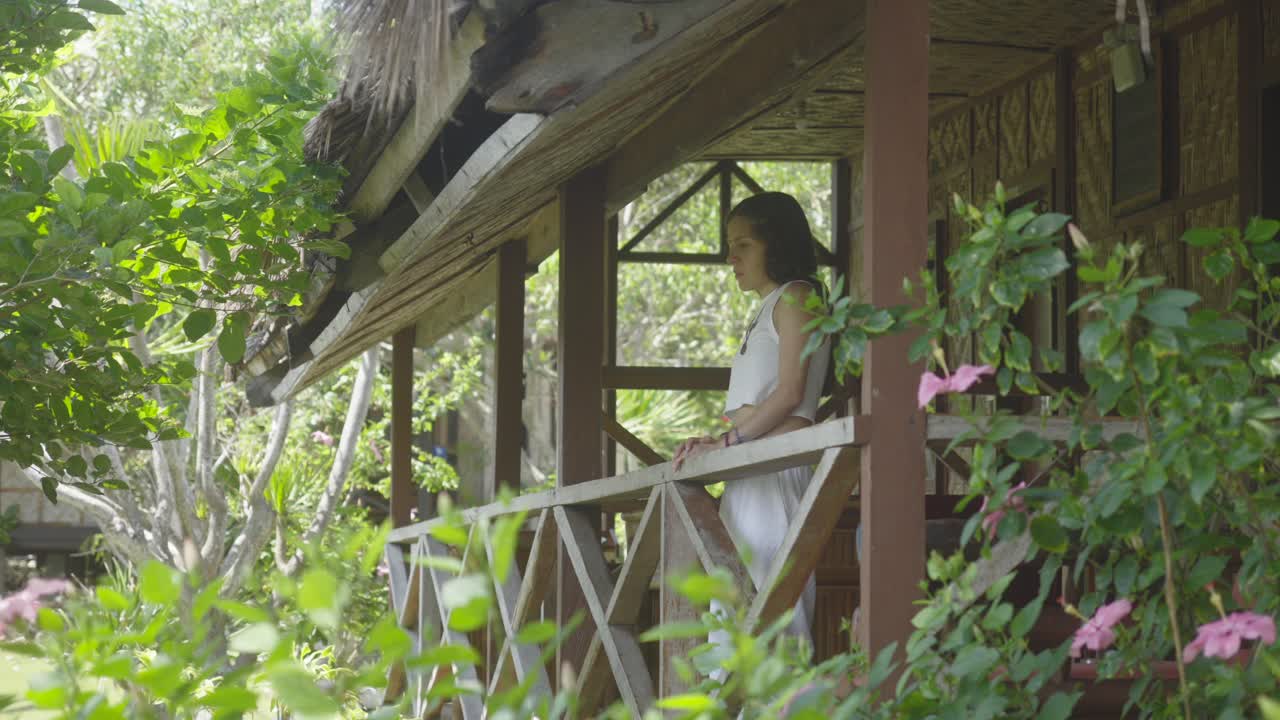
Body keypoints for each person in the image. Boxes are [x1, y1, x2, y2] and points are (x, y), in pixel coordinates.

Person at [671, 191, 832, 675]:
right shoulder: (767, 307)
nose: (731, 257)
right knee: (731, 622)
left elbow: (790, 396)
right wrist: (717, 438)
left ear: (775, 244)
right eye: (729, 245)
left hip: (776, 476)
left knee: (775, 619)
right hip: (747, 477)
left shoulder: (798, 297)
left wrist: (728, 440)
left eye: (743, 244)